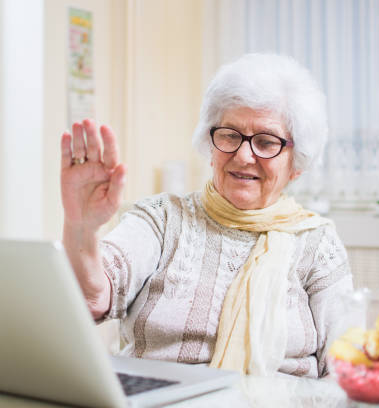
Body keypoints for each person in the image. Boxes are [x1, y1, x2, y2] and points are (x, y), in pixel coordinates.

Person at [60, 54, 353, 378]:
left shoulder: (317, 243)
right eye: (229, 135)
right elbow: (91, 299)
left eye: (266, 142)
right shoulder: (161, 219)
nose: (243, 156)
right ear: (210, 143)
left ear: (296, 164)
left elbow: (346, 371)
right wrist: (81, 229)